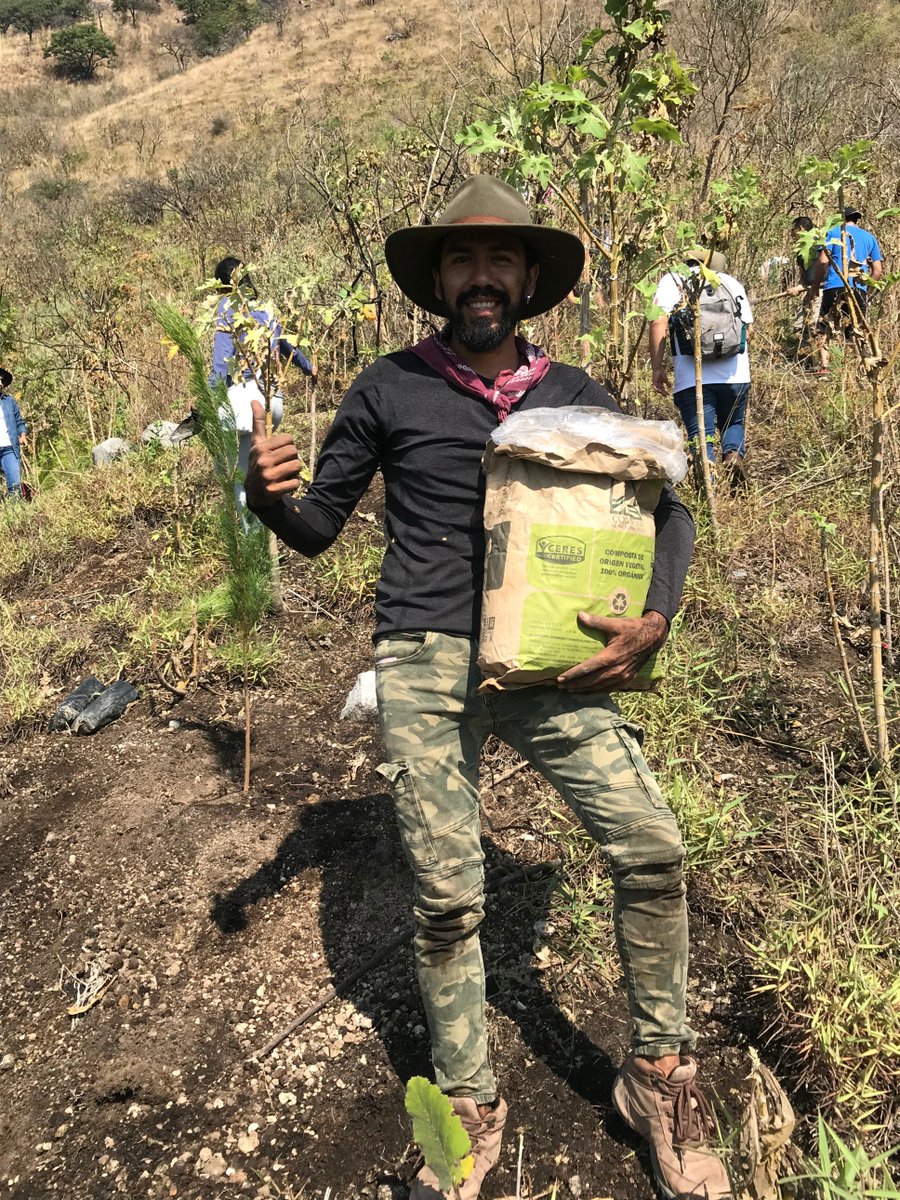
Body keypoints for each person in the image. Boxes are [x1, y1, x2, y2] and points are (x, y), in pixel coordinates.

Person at [245, 177, 730, 1200]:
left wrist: (655, 617)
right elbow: (317, 525)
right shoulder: (389, 387)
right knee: (448, 895)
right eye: (462, 259)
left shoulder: (578, 395)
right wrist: (267, 497)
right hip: (423, 657)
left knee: (651, 845)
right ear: (437, 280)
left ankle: (658, 1081)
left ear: (527, 279)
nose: (481, 276)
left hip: (549, 657)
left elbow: (669, 514)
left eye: (500, 258)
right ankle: (467, 1107)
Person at [209, 256, 316, 512]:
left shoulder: (227, 308)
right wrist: (309, 367)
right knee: (259, 468)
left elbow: (221, 364)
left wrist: (208, 398)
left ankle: (248, 530)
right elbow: (288, 347)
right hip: (271, 401)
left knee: (236, 473)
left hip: (244, 404)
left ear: (221, 286)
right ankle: (264, 524)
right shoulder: (265, 310)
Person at [649, 249, 753, 482]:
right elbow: (746, 330)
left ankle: (709, 485)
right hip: (735, 374)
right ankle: (733, 456)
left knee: (701, 436)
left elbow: (658, 322)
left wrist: (657, 368)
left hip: (693, 378)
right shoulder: (730, 282)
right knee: (733, 422)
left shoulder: (673, 281)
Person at [811, 206, 883, 372]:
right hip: (858, 288)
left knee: (825, 327)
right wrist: (867, 291)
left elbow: (823, 261)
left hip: (834, 286)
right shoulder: (869, 238)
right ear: (857, 219)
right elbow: (877, 270)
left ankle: (824, 367)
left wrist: (814, 286)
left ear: (841, 218)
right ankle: (858, 369)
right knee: (856, 330)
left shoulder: (833, 233)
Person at [787, 215, 824, 369]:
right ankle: (805, 362)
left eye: (793, 229)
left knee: (815, 327)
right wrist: (798, 288)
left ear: (801, 228)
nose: (791, 233)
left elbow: (824, 268)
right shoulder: (800, 250)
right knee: (800, 326)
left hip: (821, 291)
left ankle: (820, 364)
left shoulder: (819, 244)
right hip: (809, 292)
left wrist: (814, 287)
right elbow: (804, 278)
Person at [0, 368, 27, 500]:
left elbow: (19, 421)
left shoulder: (9, 401)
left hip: (9, 448)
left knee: (14, 484)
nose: (0, 383)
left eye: (1, 380)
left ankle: (15, 508)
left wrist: (22, 434)